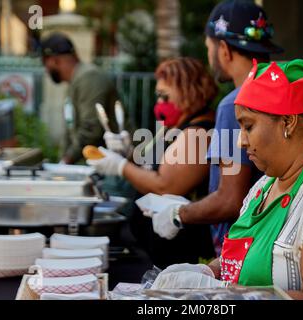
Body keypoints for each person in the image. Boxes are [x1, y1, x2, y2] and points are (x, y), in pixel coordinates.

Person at [151, 59, 303, 300]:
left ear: (288, 121)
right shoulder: (265, 186)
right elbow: (244, 259)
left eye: (248, 126)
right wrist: (209, 272)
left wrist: (227, 295)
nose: (241, 141)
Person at [151, 0, 284, 257]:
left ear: (223, 49)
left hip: (242, 250)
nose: (208, 54)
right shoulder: (285, 93)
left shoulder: (234, 105)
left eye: (208, 46)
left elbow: (230, 200)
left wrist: (179, 214)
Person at [88, 57, 218, 268]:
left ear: (190, 91)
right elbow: (152, 165)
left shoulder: (199, 132)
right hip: (153, 246)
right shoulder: (176, 126)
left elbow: (165, 184)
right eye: (158, 96)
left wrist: (121, 166)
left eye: (164, 96)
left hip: (179, 252)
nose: (159, 104)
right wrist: (128, 153)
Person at [40, 33, 118, 164]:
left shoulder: (89, 77)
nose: (46, 70)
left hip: (112, 165)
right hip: (100, 163)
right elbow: (71, 130)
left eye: (45, 63)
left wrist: (66, 161)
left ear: (54, 60)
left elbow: (91, 128)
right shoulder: (76, 81)